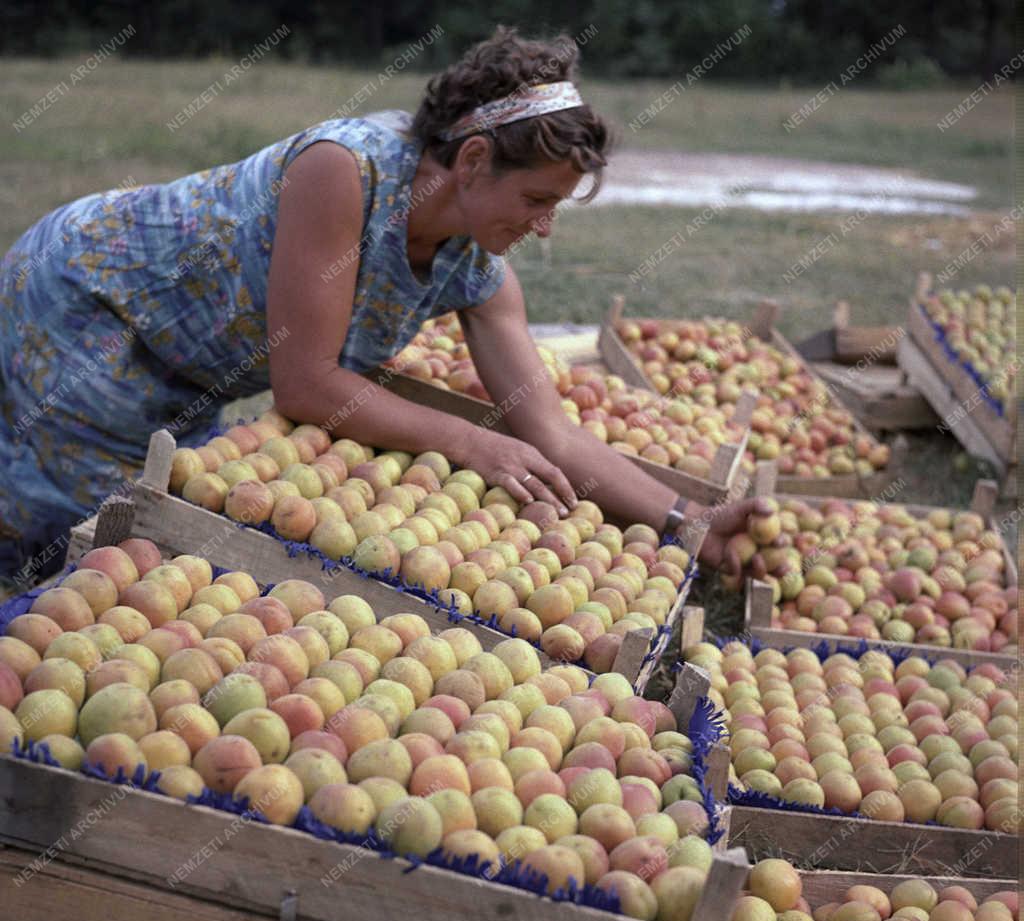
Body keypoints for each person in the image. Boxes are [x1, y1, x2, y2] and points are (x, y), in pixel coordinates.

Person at [0, 26, 763, 584]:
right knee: (73, 556)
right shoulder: (345, 172)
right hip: (96, 306)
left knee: (159, 547)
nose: (543, 226)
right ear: (471, 160)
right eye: (535, 198)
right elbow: (307, 386)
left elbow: (550, 431)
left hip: (188, 367)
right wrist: (470, 442)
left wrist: (685, 522)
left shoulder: (475, 268)